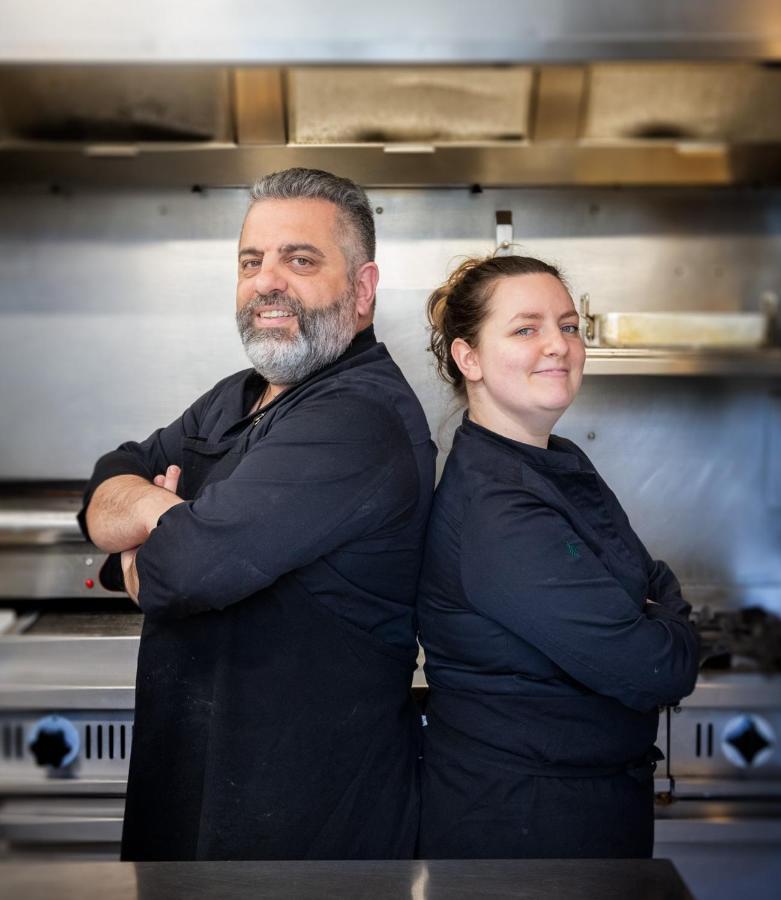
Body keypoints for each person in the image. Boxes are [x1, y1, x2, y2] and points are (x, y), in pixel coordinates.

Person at [78, 168, 436, 861]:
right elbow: (102, 484)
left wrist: (150, 546)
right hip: (196, 802)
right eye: (252, 262)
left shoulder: (360, 418)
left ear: (362, 291)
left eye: (300, 260)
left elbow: (180, 572)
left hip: (309, 834)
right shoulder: (236, 396)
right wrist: (163, 512)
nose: (268, 281)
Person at [416, 255, 699, 859]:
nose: (558, 346)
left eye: (568, 326)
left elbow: (649, 579)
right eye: (526, 329)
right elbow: (657, 669)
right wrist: (668, 621)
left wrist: (652, 609)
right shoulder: (496, 508)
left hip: (582, 805)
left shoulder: (553, 458)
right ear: (469, 359)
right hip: (524, 824)